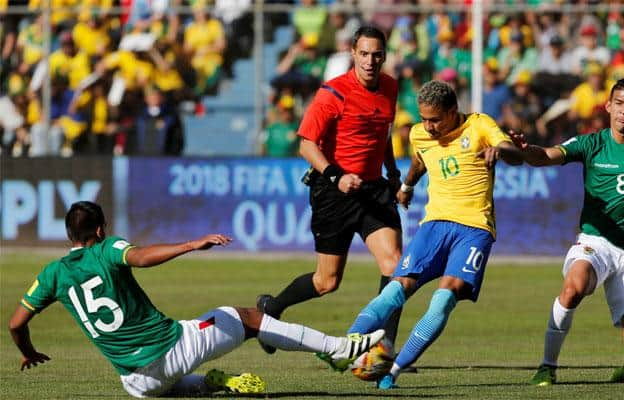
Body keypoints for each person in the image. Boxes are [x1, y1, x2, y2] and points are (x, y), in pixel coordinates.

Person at [8, 201, 385, 398]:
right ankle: (338, 349)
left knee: (167, 385)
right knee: (249, 316)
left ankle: (211, 382)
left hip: (134, 384)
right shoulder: (107, 249)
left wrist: (27, 350)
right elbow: (139, 256)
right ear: (101, 229)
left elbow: (15, 324)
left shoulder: (51, 274)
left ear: (69, 235)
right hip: (169, 350)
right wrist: (190, 244)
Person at [326, 80, 524, 389]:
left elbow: (513, 152)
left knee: (443, 299)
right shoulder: (420, 134)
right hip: (434, 226)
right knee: (396, 289)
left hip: (475, 228)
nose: (428, 126)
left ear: (452, 111)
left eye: (435, 119)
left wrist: (501, 149)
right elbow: (420, 161)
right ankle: (343, 347)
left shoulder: (479, 125)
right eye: (424, 118)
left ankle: (393, 371)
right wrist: (407, 186)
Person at [511, 78, 624, 386]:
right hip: (595, 243)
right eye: (619, 104)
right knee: (574, 286)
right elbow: (546, 155)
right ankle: (547, 366)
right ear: (608, 106)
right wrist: (526, 150)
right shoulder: (591, 143)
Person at [256, 26, 404, 354]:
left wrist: (392, 173)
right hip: (334, 192)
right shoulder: (333, 93)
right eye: (364, 54)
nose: (370, 61)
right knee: (327, 282)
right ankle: (272, 308)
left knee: (395, 266)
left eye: (376, 54)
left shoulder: (391, 87)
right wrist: (337, 175)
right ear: (353, 53)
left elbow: (383, 134)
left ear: (384, 56)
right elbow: (306, 144)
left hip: (373, 190)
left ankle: (384, 347)